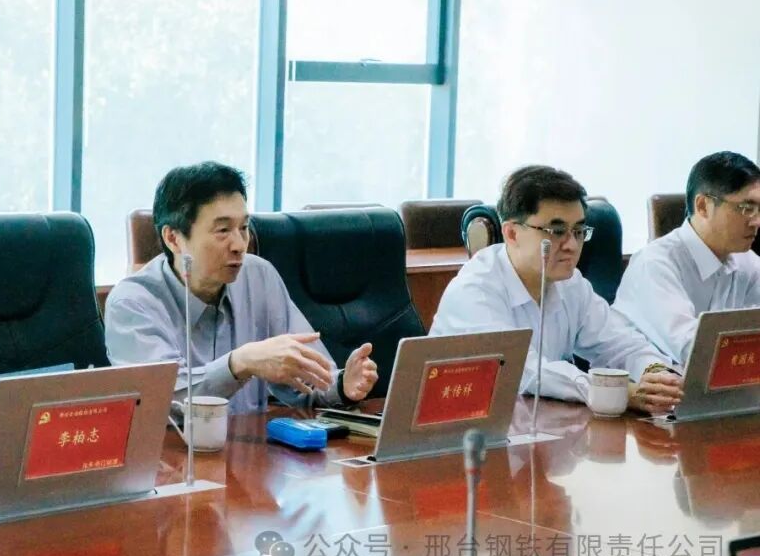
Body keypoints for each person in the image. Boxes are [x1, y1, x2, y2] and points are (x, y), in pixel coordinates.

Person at [105, 162, 378, 414]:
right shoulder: (132, 304)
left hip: (251, 447)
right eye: (223, 230)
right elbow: (162, 401)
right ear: (173, 238)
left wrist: (342, 384)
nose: (239, 245)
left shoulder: (259, 276)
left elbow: (309, 377)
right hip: (176, 451)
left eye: (244, 228)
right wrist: (240, 363)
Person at [430, 165, 682, 413]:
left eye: (579, 231)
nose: (571, 245)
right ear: (512, 233)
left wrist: (657, 374)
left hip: (537, 422)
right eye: (556, 231)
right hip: (460, 426)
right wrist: (615, 391)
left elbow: (621, 343)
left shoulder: (570, 284)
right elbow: (521, 371)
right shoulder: (475, 290)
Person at [614, 151, 760, 364]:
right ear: (703, 206)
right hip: (646, 380)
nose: (756, 221)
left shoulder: (747, 261)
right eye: (746, 208)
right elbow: (694, 351)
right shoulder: (655, 264)